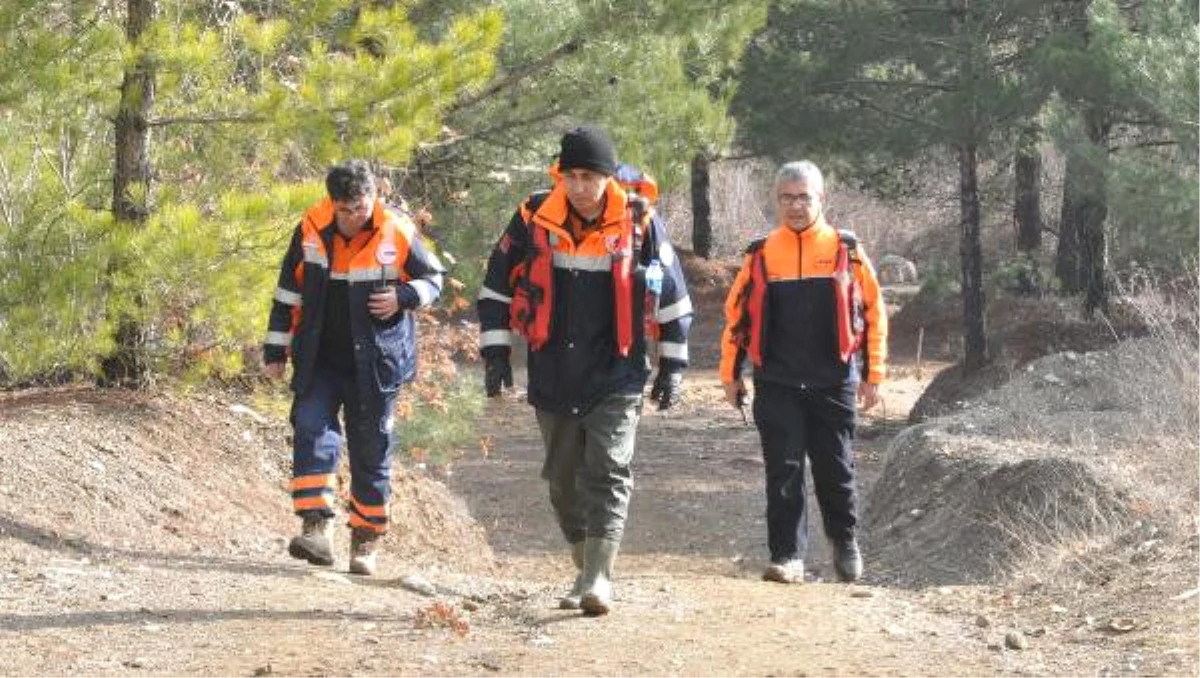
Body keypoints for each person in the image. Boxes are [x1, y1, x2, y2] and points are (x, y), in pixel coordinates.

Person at [477, 126, 693, 615]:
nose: (579, 186)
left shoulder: (639, 223)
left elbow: (674, 301)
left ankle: (598, 577)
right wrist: (496, 355)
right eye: (571, 175)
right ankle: (583, 564)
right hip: (552, 368)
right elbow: (495, 289)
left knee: (610, 469)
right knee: (562, 481)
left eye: (590, 176)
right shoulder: (533, 217)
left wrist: (672, 368)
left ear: (608, 177)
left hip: (617, 369)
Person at [263, 160, 444, 576]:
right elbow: (287, 293)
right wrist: (276, 350)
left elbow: (434, 279)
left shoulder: (396, 229)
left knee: (370, 450)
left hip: (377, 364)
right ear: (332, 204)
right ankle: (316, 529)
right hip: (320, 359)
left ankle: (365, 540)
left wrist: (404, 296)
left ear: (373, 198)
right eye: (345, 210)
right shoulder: (310, 228)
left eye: (360, 207)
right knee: (310, 427)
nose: (353, 217)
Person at [720, 160, 887, 584]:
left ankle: (844, 542)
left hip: (834, 380)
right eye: (787, 198)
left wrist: (874, 374)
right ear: (777, 202)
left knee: (837, 469)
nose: (795, 206)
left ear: (821, 199)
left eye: (804, 197)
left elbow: (873, 311)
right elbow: (736, 317)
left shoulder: (846, 250)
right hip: (776, 381)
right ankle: (787, 555)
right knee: (783, 470)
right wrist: (730, 374)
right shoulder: (760, 253)